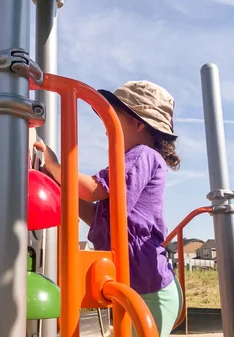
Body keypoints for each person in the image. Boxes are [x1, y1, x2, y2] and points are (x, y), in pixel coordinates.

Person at [34, 80, 183, 337]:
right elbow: (96, 216)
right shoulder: (134, 161)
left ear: (138, 124)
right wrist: (60, 188)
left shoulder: (142, 155)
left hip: (150, 290)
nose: (107, 131)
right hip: (141, 285)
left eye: (113, 121)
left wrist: (57, 168)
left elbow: (94, 189)